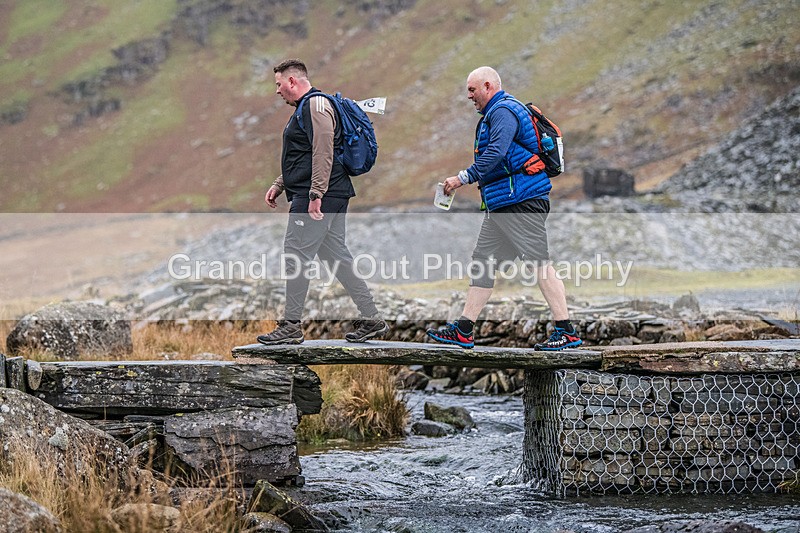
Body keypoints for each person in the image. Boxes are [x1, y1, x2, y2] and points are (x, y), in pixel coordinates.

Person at [426, 66, 582, 351]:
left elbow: (495, 153)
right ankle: (464, 330)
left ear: (488, 86)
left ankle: (566, 330)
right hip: (503, 203)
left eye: (472, 90)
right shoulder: (494, 113)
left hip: (520, 200)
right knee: (482, 260)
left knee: (538, 262)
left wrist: (462, 178)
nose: (469, 96)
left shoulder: (503, 111)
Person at [257, 59, 388, 345]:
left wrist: (316, 194)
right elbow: (305, 155)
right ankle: (372, 318)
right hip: (330, 192)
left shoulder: (315, 105)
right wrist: (280, 183)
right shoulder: (308, 108)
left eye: (279, 84)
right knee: (335, 256)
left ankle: (290, 326)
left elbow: (323, 149)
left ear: (293, 81)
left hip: (320, 195)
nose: (277, 91)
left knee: (295, 252)